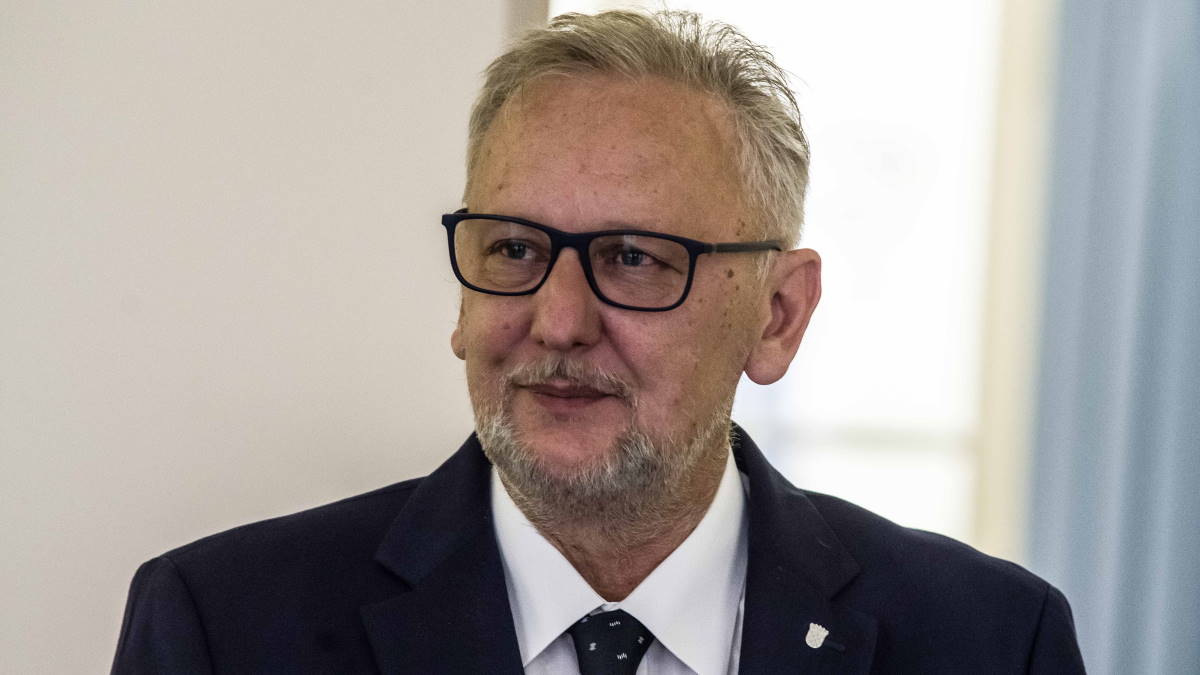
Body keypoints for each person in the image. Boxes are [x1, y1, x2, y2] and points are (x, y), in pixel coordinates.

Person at [112, 10, 1085, 674]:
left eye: (633, 258)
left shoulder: (990, 642)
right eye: (514, 248)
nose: (560, 321)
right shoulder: (224, 628)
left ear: (778, 315)